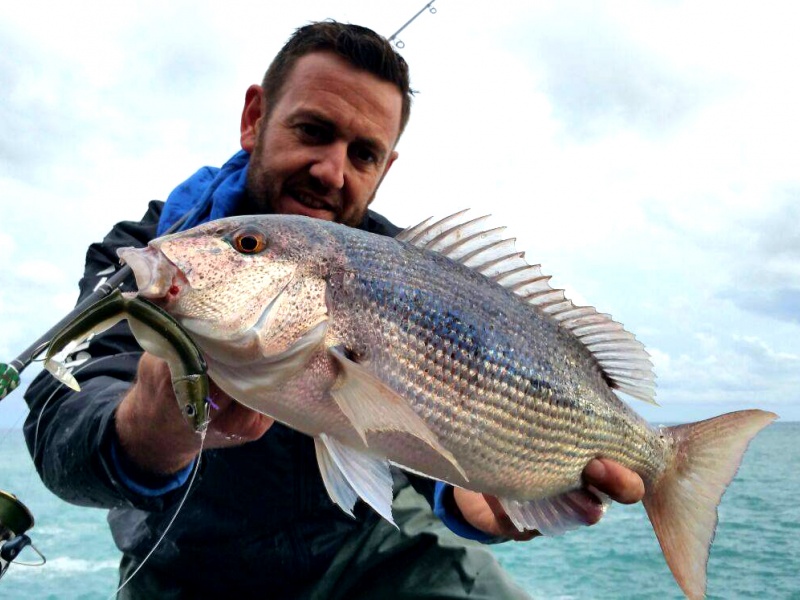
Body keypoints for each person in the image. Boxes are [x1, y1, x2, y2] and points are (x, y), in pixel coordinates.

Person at [24, 21, 645, 599]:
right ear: (254, 118)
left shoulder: (413, 271)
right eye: (313, 131)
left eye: (364, 153)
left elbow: (436, 424)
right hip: (189, 560)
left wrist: (466, 495)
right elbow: (59, 430)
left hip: (375, 543)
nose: (331, 170)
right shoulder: (151, 252)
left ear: (386, 167)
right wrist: (147, 429)